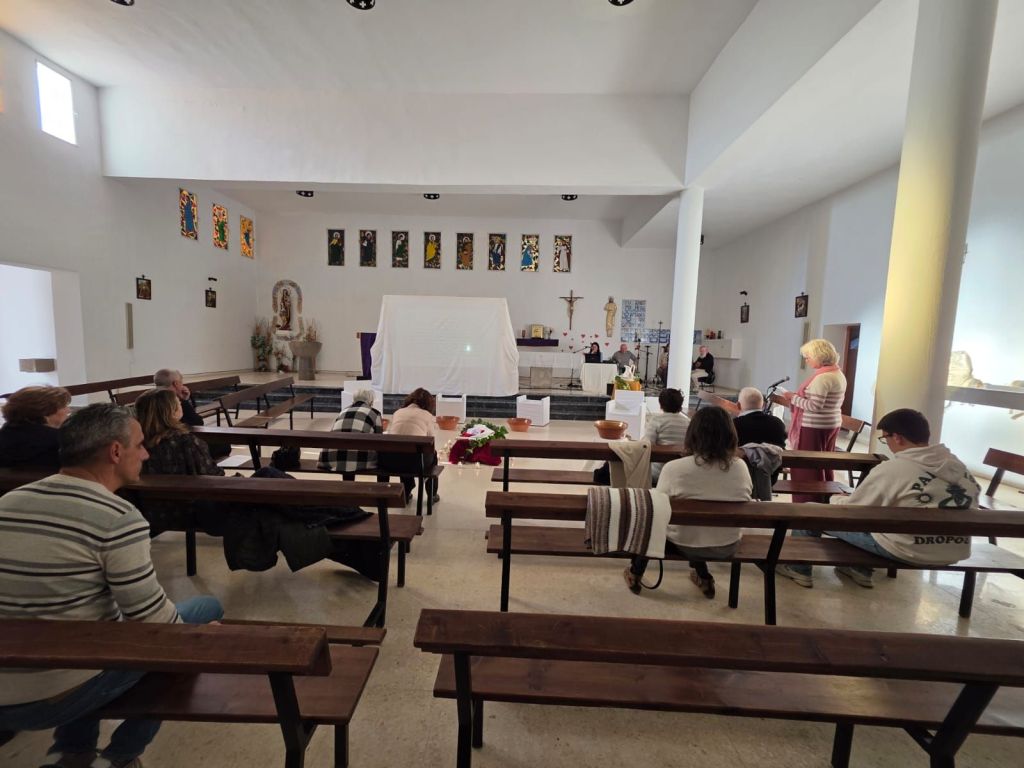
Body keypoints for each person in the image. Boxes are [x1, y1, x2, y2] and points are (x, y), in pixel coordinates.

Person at [0, 403, 223, 768]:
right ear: (116, 452)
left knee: (91, 630)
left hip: (7, 677)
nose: (146, 454)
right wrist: (199, 642)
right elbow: (151, 622)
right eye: (140, 445)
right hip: (52, 692)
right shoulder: (117, 517)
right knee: (200, 619)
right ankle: (121, 756)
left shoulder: (10, 500)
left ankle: (76, 753)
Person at [778, 408, 981, 589]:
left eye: (886, 439)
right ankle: (858, 568)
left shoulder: (893, 469)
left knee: (811, 512)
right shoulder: (958, 466)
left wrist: (835, 499)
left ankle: (798, 569)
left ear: (898, 438)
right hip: (956, 548)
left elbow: (853, 510)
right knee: (878, 516)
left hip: (911, 549)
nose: (888, 444)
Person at [624, 406, 752, 600]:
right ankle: (704, 578)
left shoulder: (675, 468)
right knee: (699, 526)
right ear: (731, 434)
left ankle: (636, 572)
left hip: (684, 544)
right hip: (727, 543)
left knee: (652, 522)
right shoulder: (741, 467)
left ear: (692, 434)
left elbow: (656, 507)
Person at [776, 339, 847, 502]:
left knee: (806, 466)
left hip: (814, 426)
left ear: (819, 356)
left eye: (808, 357)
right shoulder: (836, 373)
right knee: (823, 463)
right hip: (829, 423)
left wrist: (791, 397)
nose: (806, 360)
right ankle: (823, 496)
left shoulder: (823, 378)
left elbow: (814, 406)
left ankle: (807, 501)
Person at [380, 388, 440, 505]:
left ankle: (406, 492)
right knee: (431, 455)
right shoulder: (427, 415)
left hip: (391, 461)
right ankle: (431, 494)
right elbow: (431, 442)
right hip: (415, 464)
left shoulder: (398, 412)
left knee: (402, 451)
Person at [0, 385, 72, 470]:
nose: (68, 410)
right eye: (63, 407)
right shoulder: (60, 440)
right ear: (45, 411)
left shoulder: (5, 433)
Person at [317, 389, 383, 479]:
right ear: (371, 401)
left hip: (331, 458)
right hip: (360, 459)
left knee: (346, 452)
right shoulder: (375, 413)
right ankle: (382, 487)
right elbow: (379, 438)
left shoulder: (343, 411)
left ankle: (347, 484)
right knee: (382, 460)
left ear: (353, 400)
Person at [644, 387, 690, 484]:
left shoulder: (657, 420)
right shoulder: (688, 422)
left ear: (661, 404)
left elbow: (646, 444)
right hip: (682, 474)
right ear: (680, 405)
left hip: (659, 473)